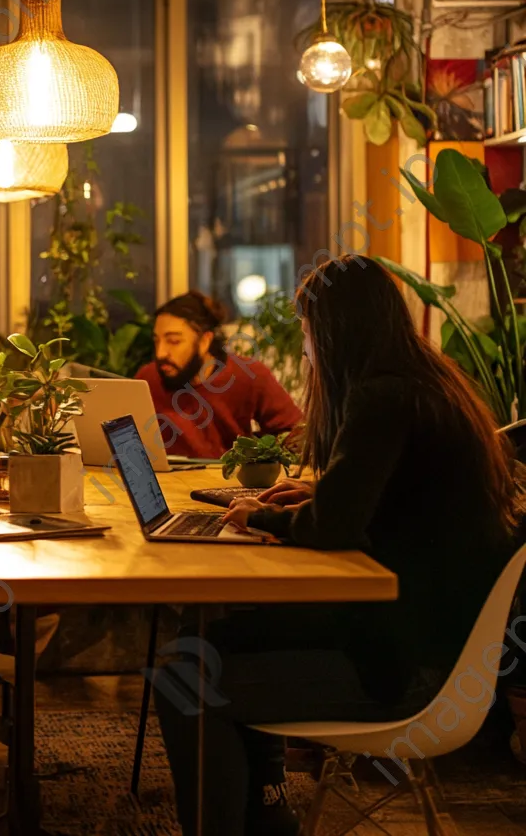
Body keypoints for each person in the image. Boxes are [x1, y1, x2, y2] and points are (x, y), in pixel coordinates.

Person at [153, 256, 523, 836]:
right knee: (205, 632)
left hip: (410, 665)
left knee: (183, 682)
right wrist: (319, 490)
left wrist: (261, 518)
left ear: (332, 332)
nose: (304, 351)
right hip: (416, 629)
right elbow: (385, 500)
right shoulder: (420, 382)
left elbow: (335, 528)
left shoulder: (383, 396)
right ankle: (268, 813)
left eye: (306, 335)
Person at [135, 291, 301, 458]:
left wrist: (260, 454)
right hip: (166, 482)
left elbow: (296, 434)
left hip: (227, 480)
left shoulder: (246, 374)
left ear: (205, 341)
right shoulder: (147, 379)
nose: (161, 353)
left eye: (174, 341)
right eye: (156, 341)